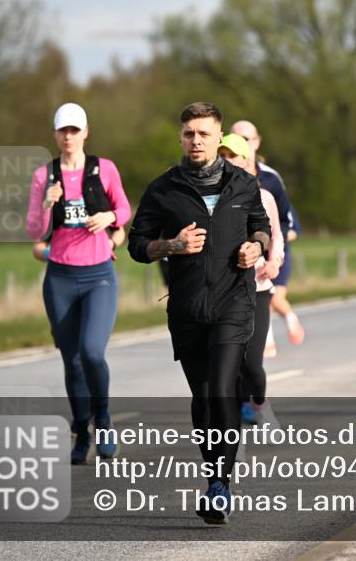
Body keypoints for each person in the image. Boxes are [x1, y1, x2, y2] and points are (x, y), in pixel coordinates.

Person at [128, 102, 270, 525]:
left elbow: (262, 227)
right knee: (204, 397)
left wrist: (256, 247)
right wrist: (171, 246)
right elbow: (137, 244)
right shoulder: (163, 189)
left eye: (204, 134)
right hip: (188, 308)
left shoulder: (243, 184)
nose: (196, 141)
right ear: (180, 137)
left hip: (233, 302)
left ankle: (220, 485)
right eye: (189, 133)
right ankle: (213, 474)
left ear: (218, 137)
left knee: (223, 390)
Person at [26, 103, 131, 465]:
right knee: (71, 360)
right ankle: (82, 431)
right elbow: (34, 231)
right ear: (55, 134)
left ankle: (103, 421)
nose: (68, 136)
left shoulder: (104, 168)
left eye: (74, 130)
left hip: (99, 275)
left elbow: (124, 209)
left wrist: (109, 216)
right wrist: (46, 204)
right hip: (60, 278)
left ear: (85, 132)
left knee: (91, 352)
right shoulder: (44, 175)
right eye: (63, 131)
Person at [217, 133, 283, 430]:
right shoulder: (211, 197)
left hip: (257, 287)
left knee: (252, 364)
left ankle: (260, 402)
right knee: (227, 364)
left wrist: (274, 262)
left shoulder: (264, 197)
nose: (227, 161)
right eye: (222, 156)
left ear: (246, 160)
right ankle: (231, 429)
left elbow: (276, 235)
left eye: (232, 156)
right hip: (223, 290)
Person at [231, 120, 303, 355]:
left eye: (246, 139)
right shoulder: (218, 177)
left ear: (257, 142)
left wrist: (272, 249)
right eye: (235, 138)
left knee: (271, 298)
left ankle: (269, 338)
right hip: (240, 256)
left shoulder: (271, 179)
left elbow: (287, 220)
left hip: (271, 251)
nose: (240, 143)